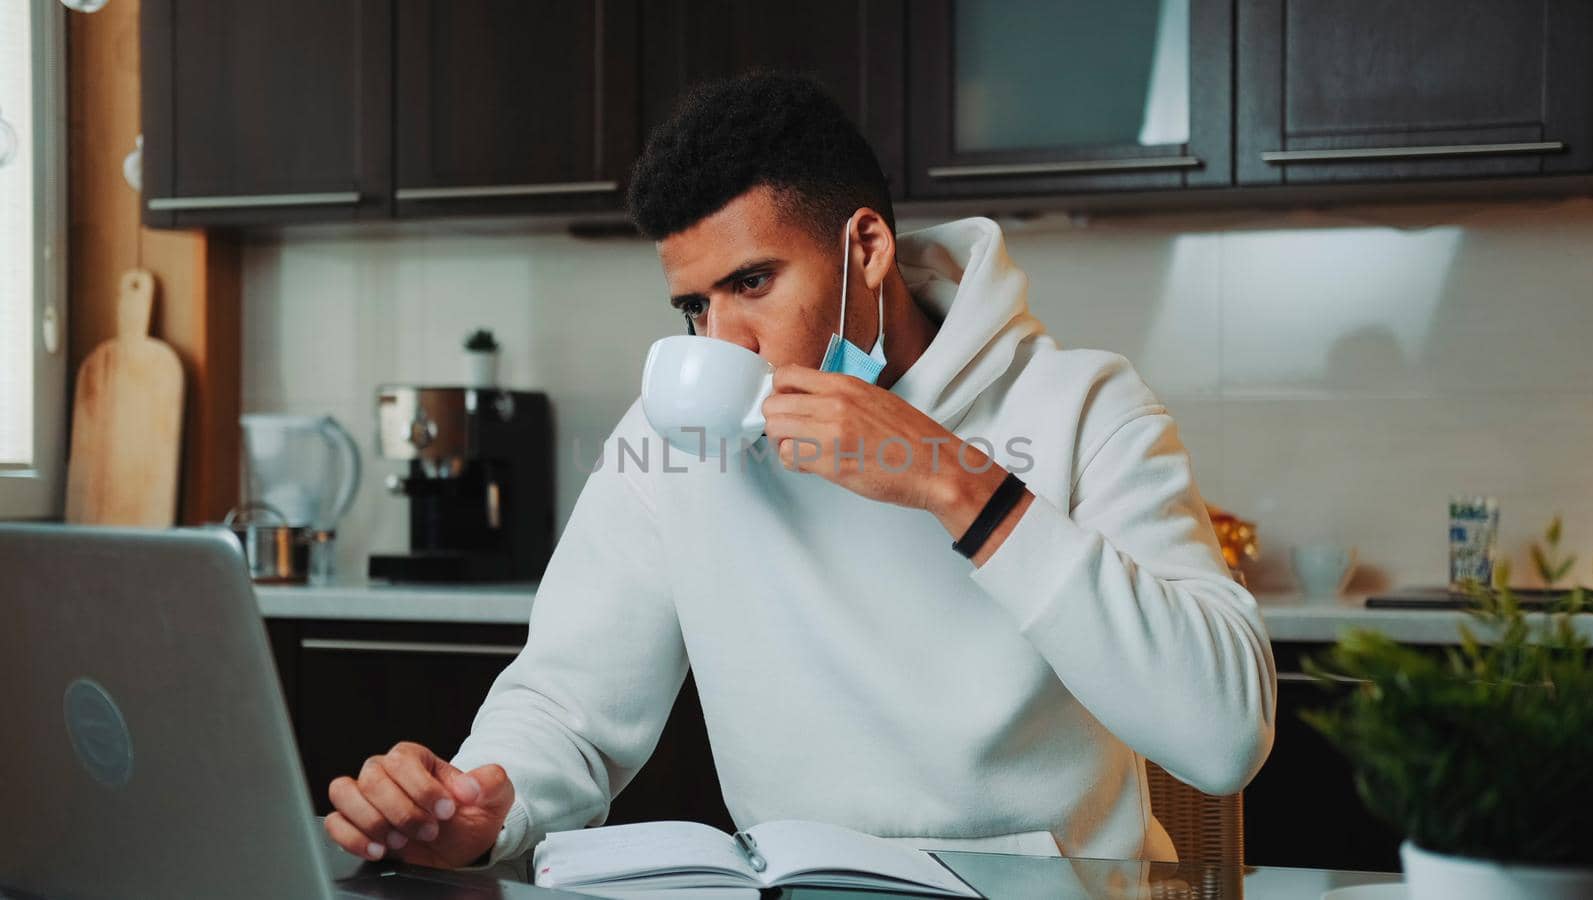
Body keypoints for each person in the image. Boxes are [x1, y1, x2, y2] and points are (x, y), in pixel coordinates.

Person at [323, 72, 1276, 869]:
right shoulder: (673, 439)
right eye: (694, 306)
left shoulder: (1084, 407)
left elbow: (1223, 738)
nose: (722, 338)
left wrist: (956, 482)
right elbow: (567, 707)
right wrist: (486, 808)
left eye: (752, 283)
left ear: (865, 250)